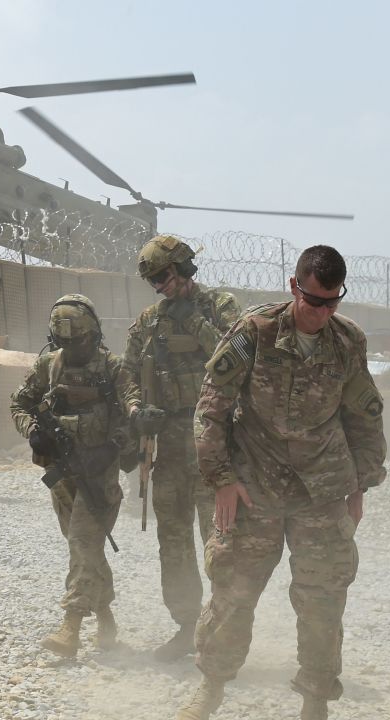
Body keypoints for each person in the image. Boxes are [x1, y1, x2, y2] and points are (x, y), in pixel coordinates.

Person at [179, 245, 386, 720]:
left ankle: (316, 701)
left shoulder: (348, 341)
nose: (322, 312)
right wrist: (222, 479)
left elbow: (364, 415)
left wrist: (362, 483)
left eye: (333, 302)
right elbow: (210, 409)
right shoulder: (255, 331)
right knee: (233, 591)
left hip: (324, 489)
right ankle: (210, 688)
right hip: (256, 484)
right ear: (295, 287)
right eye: (314, 301)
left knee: (323, 602)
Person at [123, 234, 240, 661]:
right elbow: (127, 372)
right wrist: (137, 408)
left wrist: (194, 321)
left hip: (213, 448)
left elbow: (237, 357)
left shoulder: (220, 307)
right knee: (173, 543)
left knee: (222, 541)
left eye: (165, 277)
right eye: (153, 281)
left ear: (186, 268)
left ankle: (224, 630)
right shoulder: (149, 322)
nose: (160, 287)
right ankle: (187, 625)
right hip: (168, 449)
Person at [10, 294, 144, 658]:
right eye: (64, 343)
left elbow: (134, 409)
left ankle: (71, 625)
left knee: (84, 541)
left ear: (94, 334)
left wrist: (113, 446)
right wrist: (32, 430)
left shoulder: (113, 368)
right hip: (61, 471)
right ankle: (106, 616)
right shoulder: (48, 366)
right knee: (83, 545)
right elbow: (19, 403)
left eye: (79, 342)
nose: (72, 349)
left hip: (99, 472)